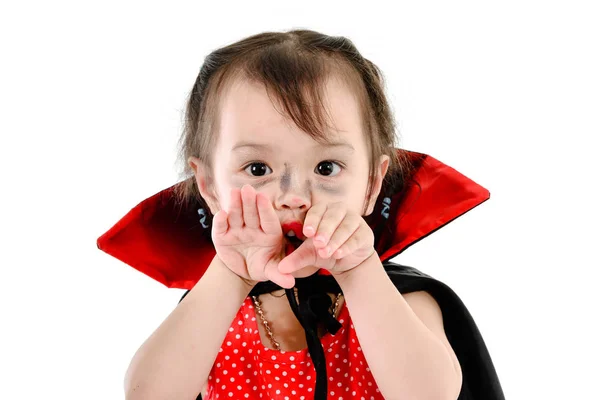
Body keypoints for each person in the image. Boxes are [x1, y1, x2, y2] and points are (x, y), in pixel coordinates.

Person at [97, 29, 505, 400]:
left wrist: (359, 270)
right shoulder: (211, 309)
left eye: (326, 168)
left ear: (371, 185)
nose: (294, 197)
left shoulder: (403, 299)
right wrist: (231, 274)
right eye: (258, 169)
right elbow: (146, 394)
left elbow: (431, 395)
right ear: (209, 187)